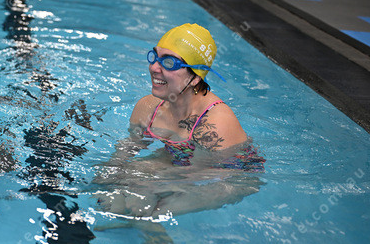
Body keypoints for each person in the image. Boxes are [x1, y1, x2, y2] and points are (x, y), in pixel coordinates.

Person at [94, 23, 264, 217]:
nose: (154, 68)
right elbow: (128, 148)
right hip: (178, 158)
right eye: (155, 57)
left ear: (195, 78)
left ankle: (148, 232)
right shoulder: (148, 107)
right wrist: (109, 174)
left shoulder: (215, 124)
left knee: (143, 209)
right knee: (115, 190)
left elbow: (199, 173)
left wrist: (149, 185)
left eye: (169, 63)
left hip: (228, 175)